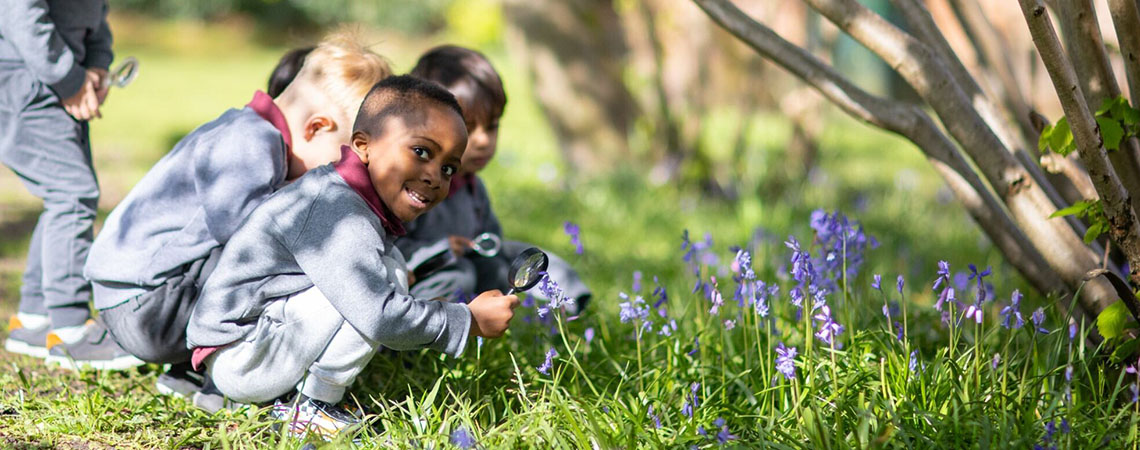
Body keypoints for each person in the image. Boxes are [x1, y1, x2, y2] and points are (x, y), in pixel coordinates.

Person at [186, 75, 519, 438]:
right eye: (421, 151)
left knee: (388, 271)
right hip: (239, 358)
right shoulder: (338, 212)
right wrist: (464, 320)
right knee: (380, 284)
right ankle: (312, 407)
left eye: (448, 168)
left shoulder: (346, 196)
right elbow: (378, 316)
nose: (435, 177)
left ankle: (288, 399)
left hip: (248, 349)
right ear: (363, 145)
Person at [81, 32, 390, 383]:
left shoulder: (248, 131)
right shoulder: (249, 142)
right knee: (281, 257)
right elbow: (245, 233)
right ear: (317, 127)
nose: (335, 174)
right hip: (148, 306)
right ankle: (227, 373)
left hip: (141, 298)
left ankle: (192, 372)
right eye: (339, 160)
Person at [397, 45, 591, 310]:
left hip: (471, 273)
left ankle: (566, 303)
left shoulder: (473, 189)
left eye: (492, 126)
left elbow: (493, 243)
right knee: (460, 275)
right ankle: (430, 334)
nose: (483, 140)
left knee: (519, 259)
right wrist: (440, 250)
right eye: (468, 127)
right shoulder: (415, 186)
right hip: (422, 284)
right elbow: (388, 250)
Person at [1, 1, 119, 363]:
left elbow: (95, 14)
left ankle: (36, 318)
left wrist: (97, 65)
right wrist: (68, 78)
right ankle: (70, 329)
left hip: (57, 77)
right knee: (73, 195)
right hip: (28, 80)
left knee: (63, 196)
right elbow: (20, 13)